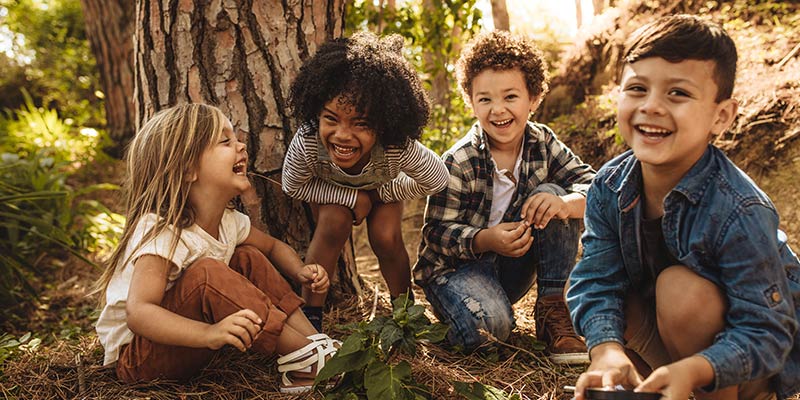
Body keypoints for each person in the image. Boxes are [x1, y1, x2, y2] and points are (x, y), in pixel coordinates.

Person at [567, 14, 800, 400]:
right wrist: (605, 350)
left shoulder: (740, 207)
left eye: (678, 93)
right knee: (608, 298)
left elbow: (767, 330)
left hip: (746, 362)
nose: (652, 106)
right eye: (638, 88)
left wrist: (697, 369)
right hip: (671, 345)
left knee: (680, 291)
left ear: (721, 116)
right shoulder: (609, 186)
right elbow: (596, 280)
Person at [93, 104, 339, 394]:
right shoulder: (162, 231)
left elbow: (272, 247)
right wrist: (209, 334)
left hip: (187, 344)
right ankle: (305, 360)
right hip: (141, 358)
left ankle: (312, 343)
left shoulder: (228, 222)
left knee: (247, 256)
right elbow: (139, 312)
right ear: (187, 168)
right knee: (208, 273)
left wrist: (299, 271)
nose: (241, 146)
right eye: (225, 141)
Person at [414, 30, 596, 364]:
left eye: (510, 97)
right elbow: (435, 233)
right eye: (485, 99)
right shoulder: (460, 159)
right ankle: (472, 313)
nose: (498, 110)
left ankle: (552, 307)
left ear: (535, 98)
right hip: (456, 272)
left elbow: (595, 186)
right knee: (491, 330)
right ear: (471, 103)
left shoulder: (543, 142)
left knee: (553, 196)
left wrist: (566, 204)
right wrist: (485, 240)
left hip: (511, 267)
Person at [281, 31, 448, 330]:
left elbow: (436, 179)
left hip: (381, 189)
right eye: (331, 119)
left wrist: (384, 192)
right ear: (316, 112)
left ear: (384, 125)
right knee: (333, 222)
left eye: (361, 123)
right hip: (331, 193)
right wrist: (350, 198)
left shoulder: (396, 146)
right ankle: (310, 320)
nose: (343, 134)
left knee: (385, 236)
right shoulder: (307, 141)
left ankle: (405, 315)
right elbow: (292, 185)